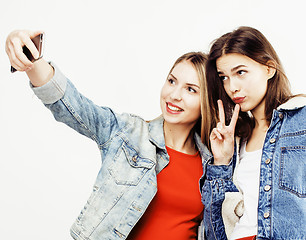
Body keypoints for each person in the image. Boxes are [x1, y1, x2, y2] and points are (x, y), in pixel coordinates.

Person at [5, 30, 214, 240]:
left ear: (207, 101)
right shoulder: (127, 133)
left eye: (191, 90)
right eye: (172, 81)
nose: (174, 95)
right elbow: (71, 104)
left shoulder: (213, 164)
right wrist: (30, 59)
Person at [201, 26, 306, 240]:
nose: (232, 87)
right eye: (224, 77)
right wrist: (221, 162)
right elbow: (213, 229)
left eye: (240, 72)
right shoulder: (235, 139)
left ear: (269, 69)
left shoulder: (301, 119)